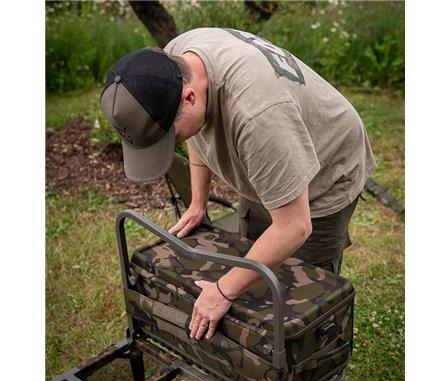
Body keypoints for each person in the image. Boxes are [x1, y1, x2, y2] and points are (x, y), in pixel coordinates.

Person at [100, 28, 376, 341]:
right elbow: (195, 131)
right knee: (255, 261)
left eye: (169, 138)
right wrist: (197, 202)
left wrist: (222, 291)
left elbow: (294, 227)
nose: (174, 143)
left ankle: (307, 365)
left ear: (190, 96)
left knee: (301, 289)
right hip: (273, 149)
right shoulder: (176, 60)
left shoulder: (257, 115)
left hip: (326, 165)